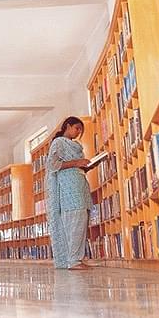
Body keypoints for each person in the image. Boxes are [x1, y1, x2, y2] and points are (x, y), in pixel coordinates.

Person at [45, 116, 94, 271]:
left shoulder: (76, 146)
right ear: (67, 125)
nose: (78, 132)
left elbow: (74, 165)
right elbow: (52, 164)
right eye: (77, 128)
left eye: (80, 130)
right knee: (74, 220)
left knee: (82, 220)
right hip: (68, 187)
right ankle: (72, 260)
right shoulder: (58, 142)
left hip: (79, 183)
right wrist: (76, 163)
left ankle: (77, 258)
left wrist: (84, 166)